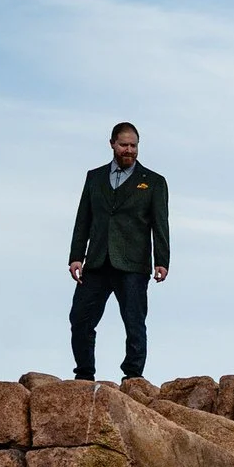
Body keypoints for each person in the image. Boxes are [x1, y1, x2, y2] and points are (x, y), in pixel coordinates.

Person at [67, 121, 171, 382]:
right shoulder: (94, 177)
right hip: (98, 261)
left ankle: (133, 377)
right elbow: (83, 219)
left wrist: (162, 261)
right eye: (124, 145)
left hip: (133, 264)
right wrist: (76, 256)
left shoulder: (154, 182)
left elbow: (161, 224)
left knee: (134, 322)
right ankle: (84, 375)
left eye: (133, 146)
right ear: (112, 144)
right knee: (80, 318)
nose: (129, 150)